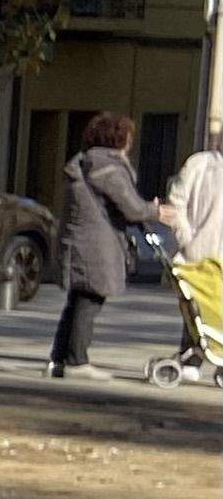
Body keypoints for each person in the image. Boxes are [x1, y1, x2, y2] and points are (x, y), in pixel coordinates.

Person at [50, 110, 157, 380]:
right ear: (118, 139)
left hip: (81, 240)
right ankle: (77, 361)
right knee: (90, 299)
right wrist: (156, 211)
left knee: (78, 300)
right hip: (95, 243)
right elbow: (131, 207)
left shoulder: (86, 163)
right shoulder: (108, 167)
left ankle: (59, 359)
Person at [166, 127, 223, 373]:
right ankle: (192, 357)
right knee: (197, 307)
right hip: (200, 253)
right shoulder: (200, 164)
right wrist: (187, 239)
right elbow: (177, 203)